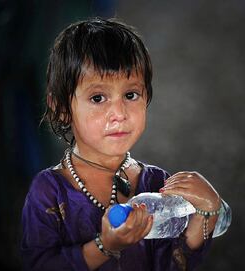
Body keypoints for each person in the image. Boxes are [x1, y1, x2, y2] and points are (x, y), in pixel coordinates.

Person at [21, 18, 225, 271]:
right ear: (62, 108)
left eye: (130, 95)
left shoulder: (158, 184)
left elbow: (174, 263)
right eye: (98, 98)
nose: (119, 113)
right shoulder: (49, 191)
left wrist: (208, 210)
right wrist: (104, 246)